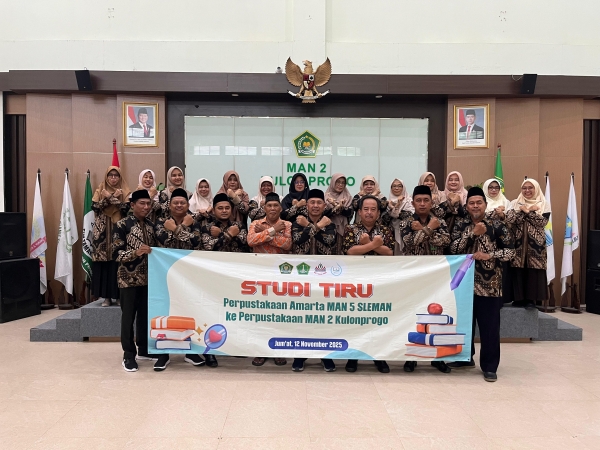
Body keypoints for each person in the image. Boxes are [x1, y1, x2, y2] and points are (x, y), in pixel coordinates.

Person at [449, 187, 515, 382]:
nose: (475, 206)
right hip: (463, 285)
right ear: (467, 206)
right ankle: (464, 358)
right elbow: (453, 248)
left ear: (485, 205)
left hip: (490, 285)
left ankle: (489, 366)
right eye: (471, 203)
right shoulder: (461, 224)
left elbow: (511, 252)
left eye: (479, 202)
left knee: (489, 328)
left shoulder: (498, 225)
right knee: (464, 323)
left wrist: (489, 255)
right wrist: (471, 233)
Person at [401, 185, 452, 374]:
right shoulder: (406, 221)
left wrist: (422, 230)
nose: (422, 204)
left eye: (426, 200)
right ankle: (412, 357)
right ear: (413, 203)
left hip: (436, 277)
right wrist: (430, 229)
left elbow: (445, 241)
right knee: (414, 316)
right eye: (418, 200)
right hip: (413, 276)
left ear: (432, 202)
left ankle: (438, 358)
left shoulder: (440, 221)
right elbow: (410, 242)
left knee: (436, 316)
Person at [153, 188, 205, 371]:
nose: (179, 205)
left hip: (188, 274)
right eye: (175, 202)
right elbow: (163, 240)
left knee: (188, 311)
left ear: (187, 204)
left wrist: (175, 229)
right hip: (164, 273)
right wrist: (182, 229)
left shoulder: (194, 221)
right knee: (164, 311)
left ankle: (190, 352)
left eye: (182, 202)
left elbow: (195, 242)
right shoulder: (161, 222)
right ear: (169, 205)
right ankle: (163, 354)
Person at [342, 195, 394, 374]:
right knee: (357, 319)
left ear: (378, 213)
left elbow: (389, 252)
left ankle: (379, 357)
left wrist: (366, 244)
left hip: (380, 282)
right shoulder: (350, 229)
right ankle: (353, 356)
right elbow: (350, 251)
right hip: (357, 282)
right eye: (366, 209)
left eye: (373, 209)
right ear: (359, 211)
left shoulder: (385, 230)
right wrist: (374, 245)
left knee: (377, 320)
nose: (369, 213)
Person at [291, 189, 337, 372]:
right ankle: (300, 355)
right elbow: (298, 239)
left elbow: (329, 241)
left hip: (324, 278)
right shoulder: (297, 221)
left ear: (324, 205)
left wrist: (310, 226)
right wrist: (316, 227)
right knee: (302, 316)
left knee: (323, 317)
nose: (316, 206)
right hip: (301, 277)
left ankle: (325, 355)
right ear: (307, 204)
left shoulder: (330, 223)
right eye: (312, 202)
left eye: (319, 203)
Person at [200, 192, 249, 367]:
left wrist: (222, 233)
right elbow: (209, 247)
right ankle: (210, 352)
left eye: (227, 208)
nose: (224, 211)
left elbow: (246, 244)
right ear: (213, 210)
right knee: (212, 313)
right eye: (220, 208)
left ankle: (233, 346)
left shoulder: (239, 225)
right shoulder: (206, 227)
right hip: (214, 277)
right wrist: (228, 234)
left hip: (235, 277)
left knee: (234, 312)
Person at [112, 190, 158, 372]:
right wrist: (135, 252)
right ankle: (128, 355)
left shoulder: (151, 226)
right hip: (128, 280)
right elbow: (116, 254)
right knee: (128, 318)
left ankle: (144, 350)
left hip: (148, 280)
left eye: (148, 204)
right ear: (132, 205)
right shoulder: (122, 225)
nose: (146, 207)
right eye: (142, 203)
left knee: (145, 316)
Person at [246, 192, 292, 368]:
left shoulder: (287, 224)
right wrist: (273, 231)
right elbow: (251, 240)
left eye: (275, 206)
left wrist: (264, 235)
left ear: (280, 208)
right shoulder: (255, 223)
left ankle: (277, 351)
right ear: (264, 208)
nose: (272, 208)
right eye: (269, 206)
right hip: (259, 274)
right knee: (261, 313)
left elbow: (287, 244)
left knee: (278, 313)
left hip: (281, 275)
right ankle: (260, 351)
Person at [505, 179, 551, 309]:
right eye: (524, 188)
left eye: (530, 188)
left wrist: (527, 211)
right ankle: (518, 299)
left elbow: (542, 222)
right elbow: (510, 220)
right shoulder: (515, 203)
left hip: (536, 246)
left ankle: (531, 300)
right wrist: (523, 210)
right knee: (517, 271)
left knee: (533, 272)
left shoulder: (543, 203)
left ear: (536, 188)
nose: (527, 190)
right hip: (517, 244)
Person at [91, 166, 131, 307]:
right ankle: (106, 297)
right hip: (102, 234)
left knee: (118, 263)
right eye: (111, 175)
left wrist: (110, 197)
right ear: (106, 177)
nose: (113, 178)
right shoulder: (100, 189)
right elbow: (95, 207)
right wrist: (109, 198)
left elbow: (126, 209)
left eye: (116, 175)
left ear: (120, 177)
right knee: (104, 266)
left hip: (118, 231)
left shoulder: (125, 190)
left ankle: (118, 296)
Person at [324, 173, 354, 255]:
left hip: (343, 229)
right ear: (333, 182)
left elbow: (350, 213)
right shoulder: (326, 196)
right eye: (338, 182)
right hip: (327, 228)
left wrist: (338, 207)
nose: (340, 185)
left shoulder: (348, 197)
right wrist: (337, 206)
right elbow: (324, 214)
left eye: (343, 183)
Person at [385, 178, 414, 255]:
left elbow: (409, 215)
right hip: (391, 232)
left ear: (403, 187)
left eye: (399, 186)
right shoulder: (388, 202)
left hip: (406, 232)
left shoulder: (409, 201)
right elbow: (386, 219)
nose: (396, 188)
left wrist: (394, 208)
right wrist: (393, 207)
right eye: (394, 186)